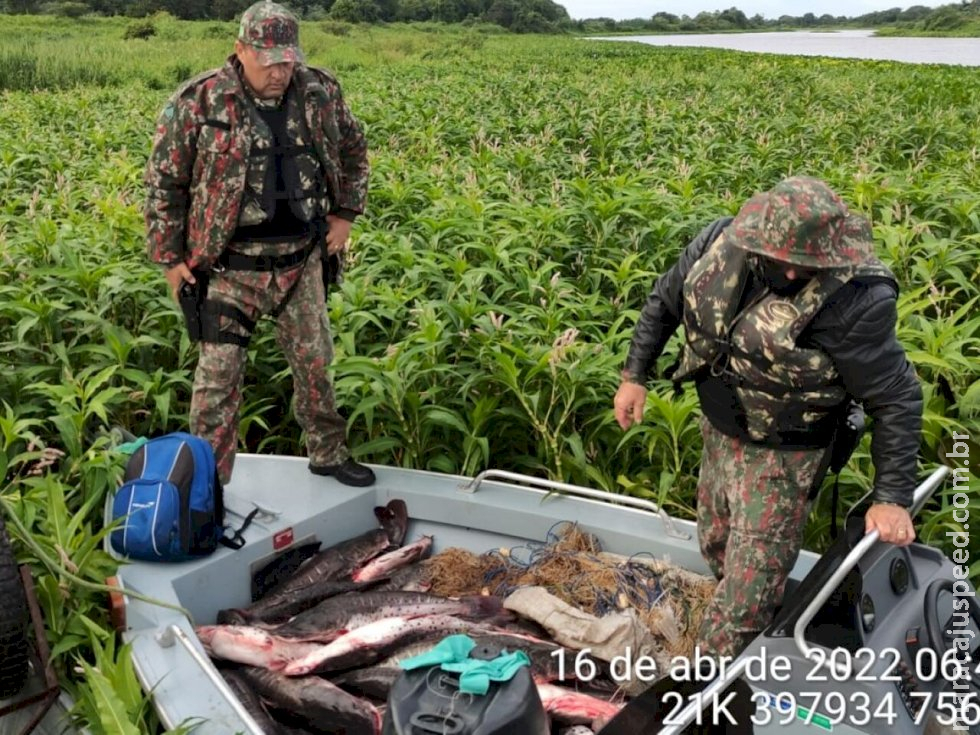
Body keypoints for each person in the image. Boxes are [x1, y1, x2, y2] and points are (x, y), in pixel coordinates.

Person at [613, 176, 922, 660]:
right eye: (785, 262)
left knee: (746, 596)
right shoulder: (717, 242)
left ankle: (706, 686)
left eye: (808, 265)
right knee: (715, 542)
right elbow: (664, 302)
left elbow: (897, 397)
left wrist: (892, 497)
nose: (796, 276)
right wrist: (636, 375)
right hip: (719, 429)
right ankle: (742, 629)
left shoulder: (854, 301)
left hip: (786, 456)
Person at [144, 0, 374, 488]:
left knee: (317, 369)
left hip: (301, 261)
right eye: (269, 60)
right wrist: (168, 259)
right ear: (240, 51)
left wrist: (346, 215)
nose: (279, 71)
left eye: (287, 59)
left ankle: (329, 454)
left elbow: (355, 151)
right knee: (216, 384)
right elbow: (164, 184)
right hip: (230, 270)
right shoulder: (198, 101)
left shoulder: (320, 92)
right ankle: (207, 486)